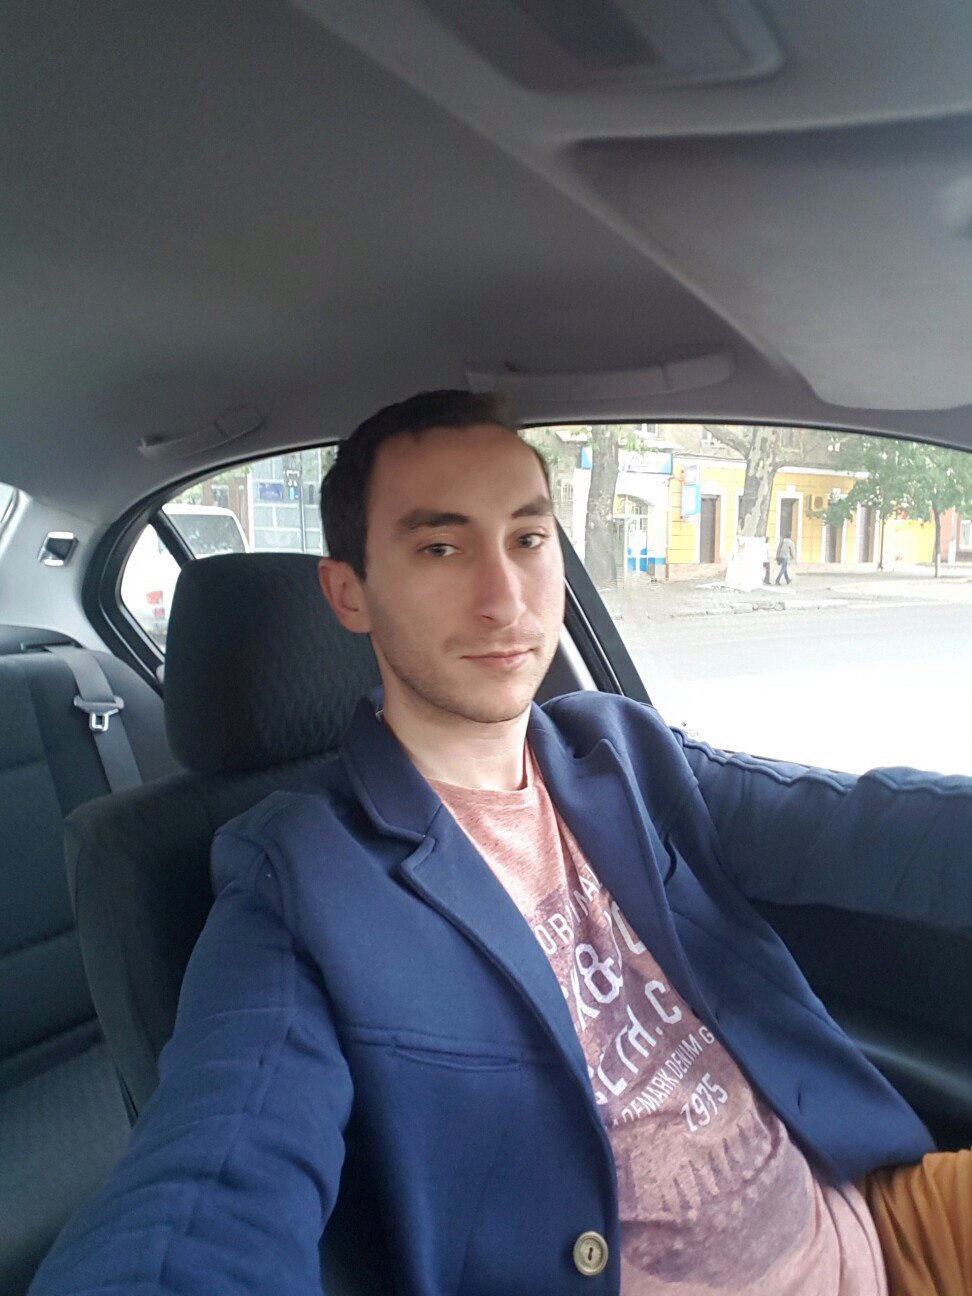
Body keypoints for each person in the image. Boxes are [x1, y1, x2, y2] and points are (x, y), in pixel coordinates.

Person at [30, 391, 972, 1296]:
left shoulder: (619, 747)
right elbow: (217, 1171)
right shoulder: (302, 876)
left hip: (880, 1220)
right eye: (440, 547)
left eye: (527, 539)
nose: (504, 598)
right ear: (349, 593)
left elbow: (861, 824)